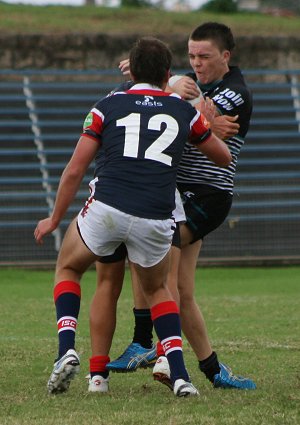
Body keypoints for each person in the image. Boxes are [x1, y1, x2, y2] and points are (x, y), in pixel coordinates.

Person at [34, 36, 231, 397]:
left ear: (132, 69)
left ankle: (69, 353)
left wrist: (53, 218)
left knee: (69, 268)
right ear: (168, 74)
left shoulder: (107, 105)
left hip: (108, 207)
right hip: (155, 215)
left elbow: (76, 169)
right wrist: (204, 125)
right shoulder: (182, 109)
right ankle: (181, 376)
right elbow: (222, 157)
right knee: (158, 289)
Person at [107, 22, 256, 390]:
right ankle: (213, 370)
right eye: (191, 56)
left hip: (206, 195)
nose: (197, 63)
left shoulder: (237, 92)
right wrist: (166, 87)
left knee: (156, 261)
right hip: (175, 193)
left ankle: (152, 347)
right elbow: (171, 109)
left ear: (226, 56)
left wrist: (172, 92)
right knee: (182, 289)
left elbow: (187, 117)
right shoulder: (186, 84)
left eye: (204, 56)